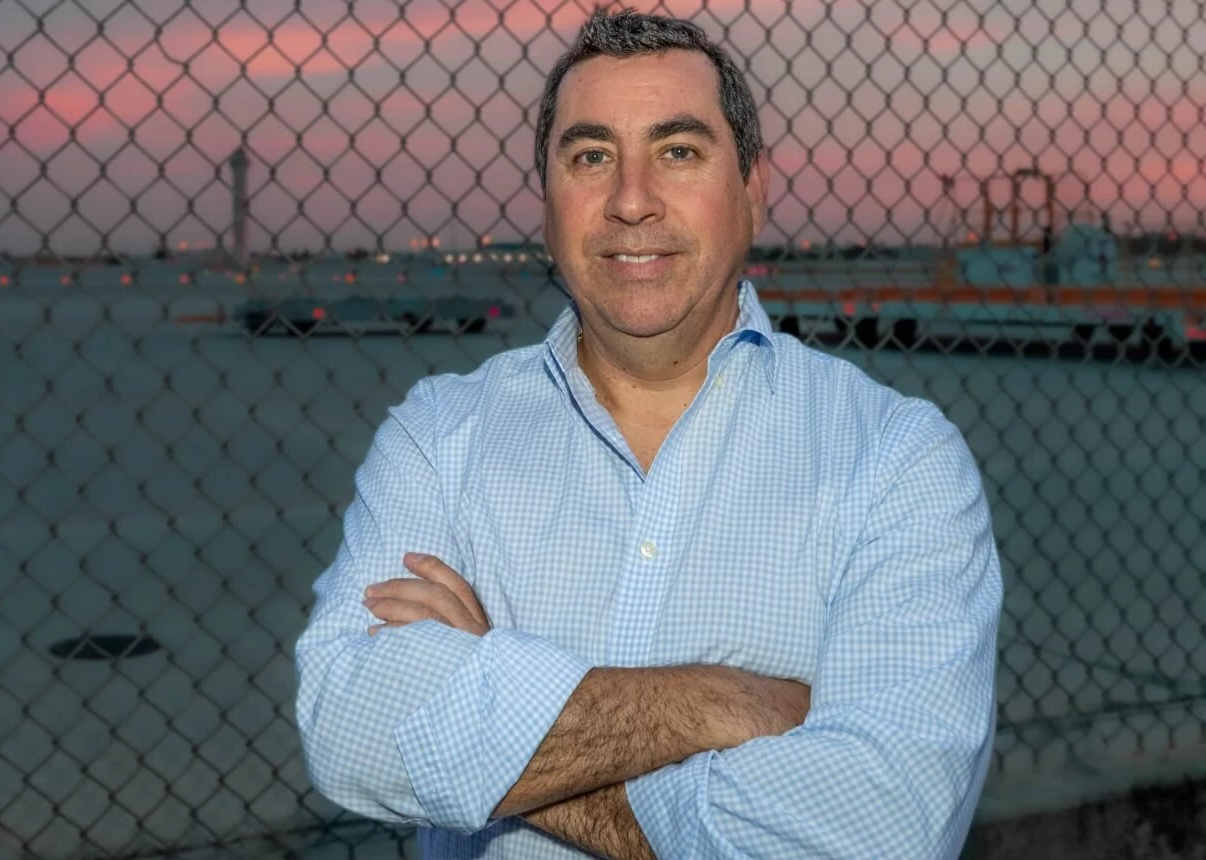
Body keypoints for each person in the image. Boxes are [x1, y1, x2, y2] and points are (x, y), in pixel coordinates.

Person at [295, 8, 1002, 859]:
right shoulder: (439, 437)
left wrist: (488, 703)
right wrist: (721, 701)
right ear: (548, 201)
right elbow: (348, 726)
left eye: (678, 151)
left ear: (753, 189)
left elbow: (876, 829)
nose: (631, 200)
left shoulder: (896, 460)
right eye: (591, 156)